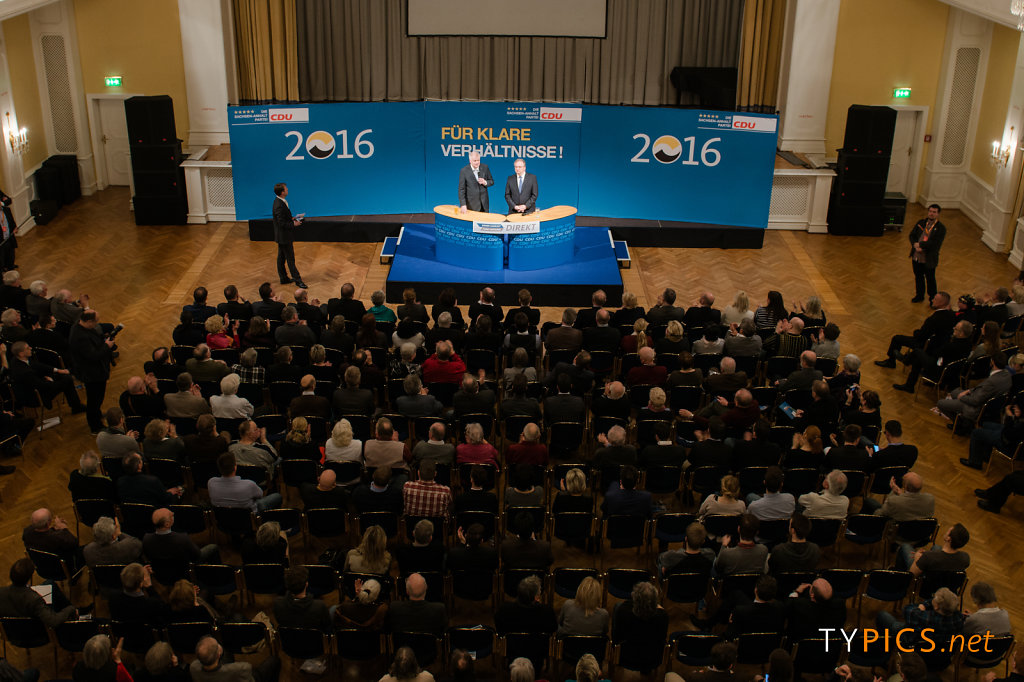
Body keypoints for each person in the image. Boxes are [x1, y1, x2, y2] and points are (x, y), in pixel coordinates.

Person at [69, 311, 115, 434]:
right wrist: (107, 346)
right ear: (89, 321)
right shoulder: (80, 337)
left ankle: (97, 414)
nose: (97, 324)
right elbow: (93, 355)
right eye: (96, 321)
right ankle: (95, 426)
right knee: (95, 399)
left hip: (94, 371)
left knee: (96, 398)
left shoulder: (80, 327)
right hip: (92, 373)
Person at [610, 581, 669, 675]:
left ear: (634, 600)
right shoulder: (662, 616)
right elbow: (662, 639)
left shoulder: (622, 611)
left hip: (625, 657)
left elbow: (616, 636)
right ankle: (646, 669)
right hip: (651, 659)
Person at [190, 635, 280, 682]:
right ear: (218, 654)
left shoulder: (193, 667)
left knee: (228, 650)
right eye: (217, 645)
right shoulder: (242, 669)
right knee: (274, 661)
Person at [909, 203, 946, 302]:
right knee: (918, 277)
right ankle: (919, 295)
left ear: (938, 214)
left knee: (930, 279)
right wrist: (915, 245)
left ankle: (932, 299)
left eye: (934, 212)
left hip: (929, 258)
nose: (931, 214)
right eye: (930, 211)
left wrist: (921, 246)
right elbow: (912, 235)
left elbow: (935, 243)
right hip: (916, 256)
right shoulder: (921, 222)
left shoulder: (941, 228)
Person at [272, 182, 306, 288]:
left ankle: (283, 278)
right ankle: (298, 280)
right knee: (290, 259)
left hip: (282, 236)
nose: (287, 189)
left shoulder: (280, 201)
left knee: (281, 258)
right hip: (284, 237)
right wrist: (293, 224)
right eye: (286, 189)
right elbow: (281, 223)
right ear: (282, 192)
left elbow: (283, 218)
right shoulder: (279, 205)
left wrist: (292, 218)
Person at [0, 188, 17, 270]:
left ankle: (10, 266)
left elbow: (8, 200)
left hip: (8, 234)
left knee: (10, 252)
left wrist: (2, 203)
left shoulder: (6, 210)